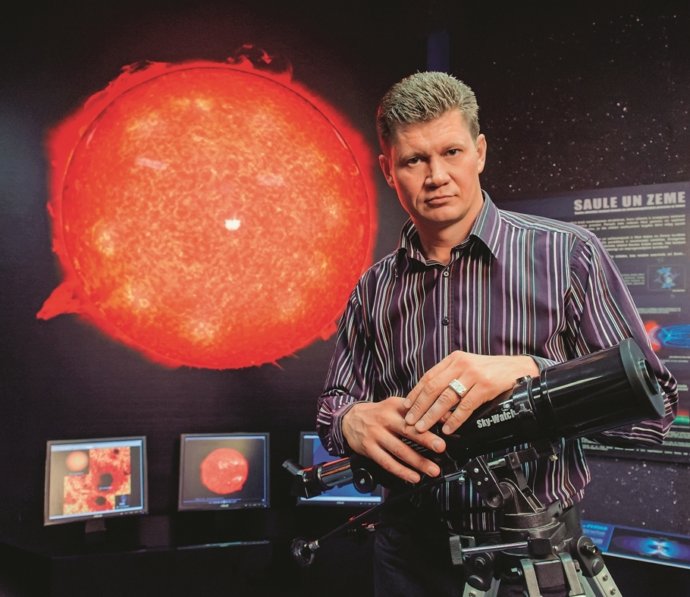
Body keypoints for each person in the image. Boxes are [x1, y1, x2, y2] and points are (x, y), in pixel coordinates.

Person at [316, 71, 678, 596]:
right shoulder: (373, 288)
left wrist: (534, 374)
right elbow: (334, 403)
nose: (436, 176)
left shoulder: (568, 254)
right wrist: (350, 420)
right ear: (388, 170)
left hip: (533, 562)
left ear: (480, 152)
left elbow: (657, 411)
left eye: (452, 152)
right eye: (414, 160)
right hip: (408, 560)